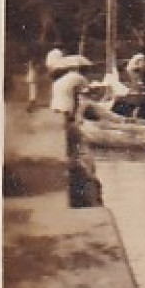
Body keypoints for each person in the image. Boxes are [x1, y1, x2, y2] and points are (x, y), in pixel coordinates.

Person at [49, 57, 100, 207]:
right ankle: (77, 168)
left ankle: (69, 161)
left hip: (56, 109)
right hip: (67, 110)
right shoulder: (79, 78)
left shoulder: (61, 80)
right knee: (75, 140)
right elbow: (88, 94)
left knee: (66, 139)